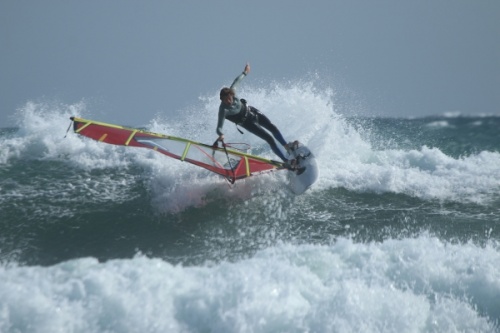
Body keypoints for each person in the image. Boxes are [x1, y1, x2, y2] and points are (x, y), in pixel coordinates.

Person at [216, 63, 294, 166]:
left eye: (229, 98)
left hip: (252, 111)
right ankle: (286, 161)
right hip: (248, 123)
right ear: (222, 100)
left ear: (231, 95)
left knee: (271, 126)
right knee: (269, 138)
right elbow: (219, 127)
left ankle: (287, 146)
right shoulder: (223, 110)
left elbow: (237, 80)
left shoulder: (233, 91)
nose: (228, 101)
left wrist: (245, 72)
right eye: (225, 100)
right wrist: (221, 134)